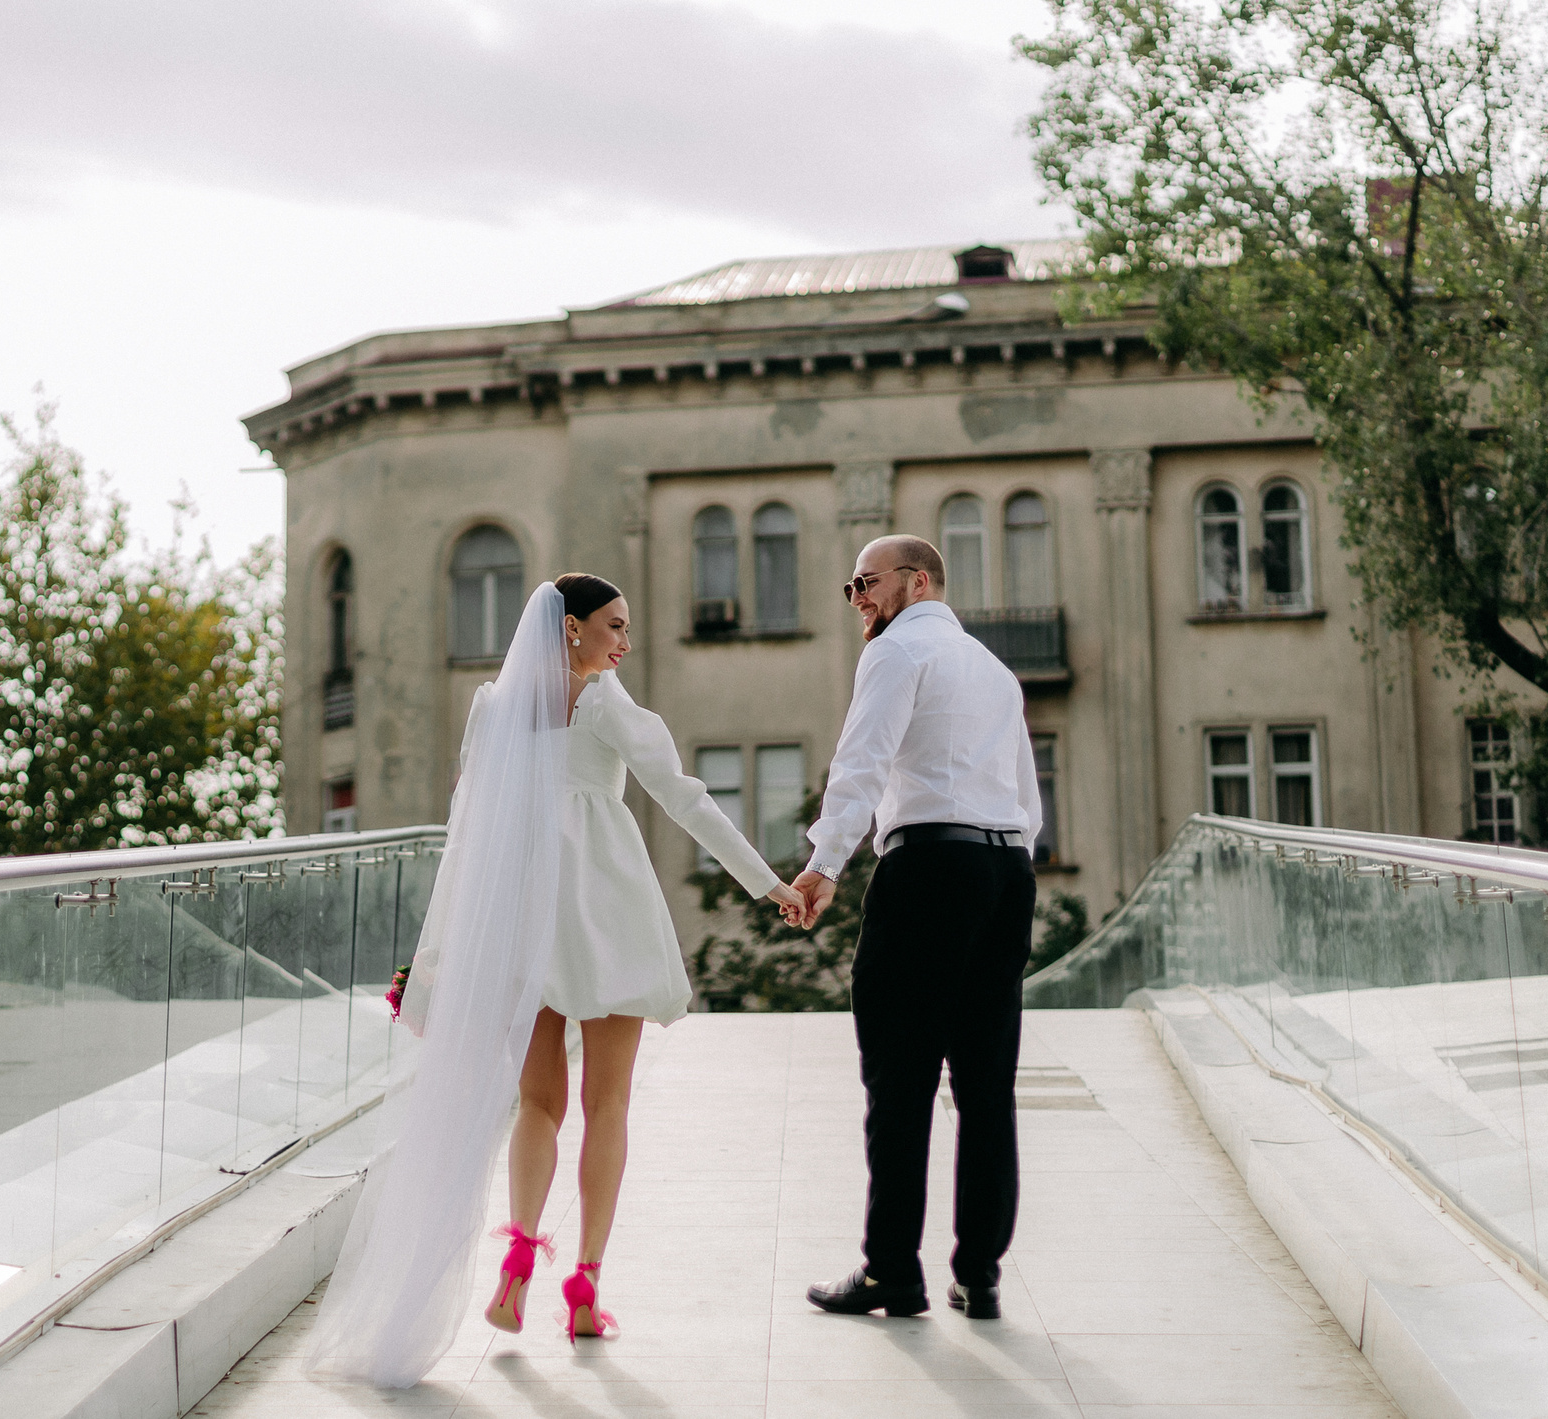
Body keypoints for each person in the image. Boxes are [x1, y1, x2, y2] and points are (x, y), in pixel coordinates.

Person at [307, 573, 799, 1386]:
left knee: (537, 1102)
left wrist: (444, 960)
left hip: (524, 914)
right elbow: (684, 799)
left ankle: (521, 1260)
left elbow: (466, 832)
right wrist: (768, 882)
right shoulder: (605, 702)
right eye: (614, 626)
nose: (624, 644)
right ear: (570, 629)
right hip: (605, 910)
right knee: (608, 1101)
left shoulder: (492, 707)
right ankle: (585, 1284)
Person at [788, 534, 1041, 1324]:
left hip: (930, 866)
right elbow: (1024, 789)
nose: (857, 597)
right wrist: (1011, 868)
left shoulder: (899, 651)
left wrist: (824, 863)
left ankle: (892, 1271)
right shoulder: (994, 671)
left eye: (866, 581)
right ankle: (981, 1277)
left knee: (899, 1081)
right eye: (850, 585)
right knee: (986, 1084)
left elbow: (861, 758)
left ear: (916, 579)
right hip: (1006, 873)